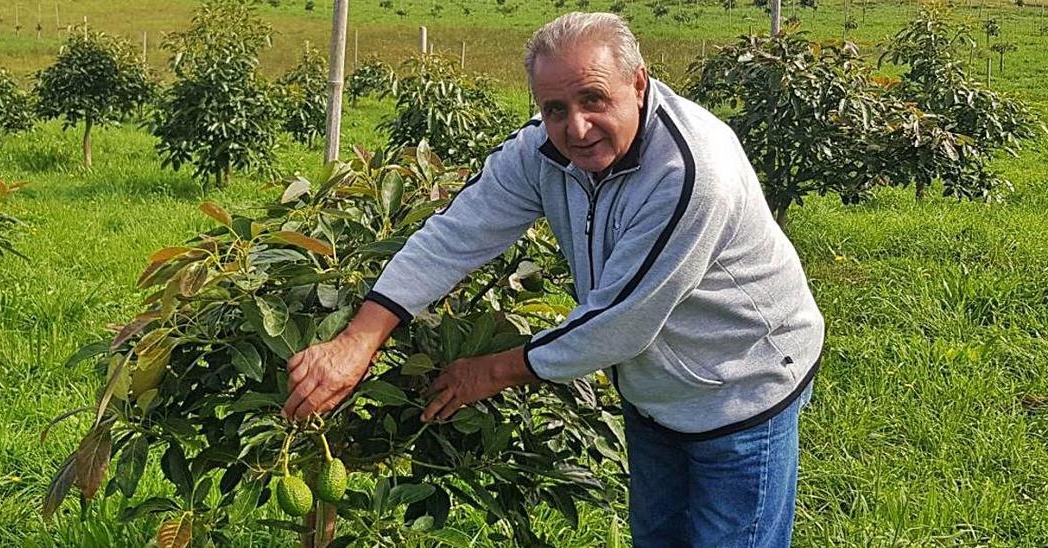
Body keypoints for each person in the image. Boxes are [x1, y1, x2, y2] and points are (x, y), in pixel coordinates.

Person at [283, 11, 824, 548]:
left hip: (744, 380)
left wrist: (492, 371)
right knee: (660, 536)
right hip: (655, 386)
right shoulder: (542, 151)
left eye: (594, 99)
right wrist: (358, 339)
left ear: (637, 83)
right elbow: (456, 234)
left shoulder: (690, 175)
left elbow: (620, 323)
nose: (577, 128)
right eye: (555, 109)